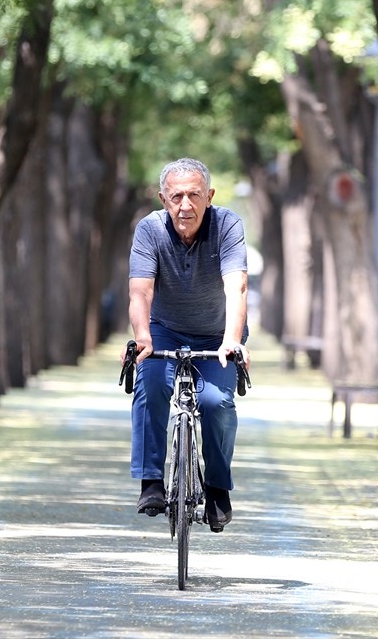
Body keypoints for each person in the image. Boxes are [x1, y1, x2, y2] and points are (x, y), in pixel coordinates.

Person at [127, 158, 249, 533]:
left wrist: (232, 340)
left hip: (217, 334)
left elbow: (236, 286)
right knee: (151, 384)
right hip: (164, 329)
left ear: (208, 197)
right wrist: (142, 336)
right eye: (176, 196)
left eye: (194, 195)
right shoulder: (149, 230)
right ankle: (151, 482)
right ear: (163, 199)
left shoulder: (227, 225)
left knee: (216, 402)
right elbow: (140, 290)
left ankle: (216, 488)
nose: (185, 205)